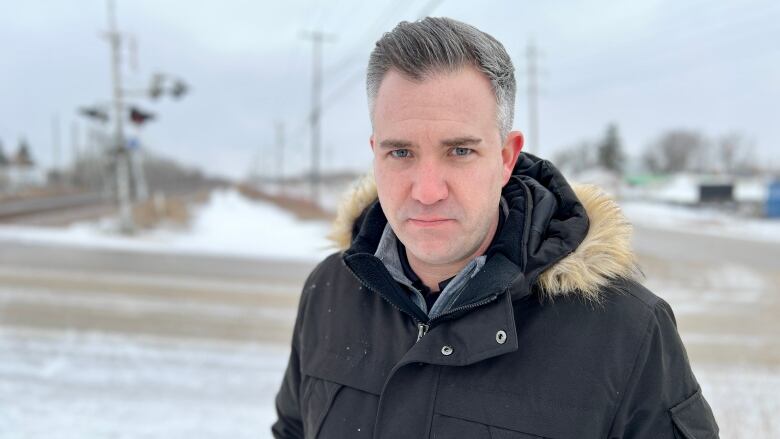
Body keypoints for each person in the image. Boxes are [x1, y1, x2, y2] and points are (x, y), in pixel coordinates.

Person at [272, 17, 719, 439]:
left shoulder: (626, 330)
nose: (427, 191)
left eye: (460, 151)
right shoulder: (329, 289)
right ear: (375, 153)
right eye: (401, 153)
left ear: (506, 157)